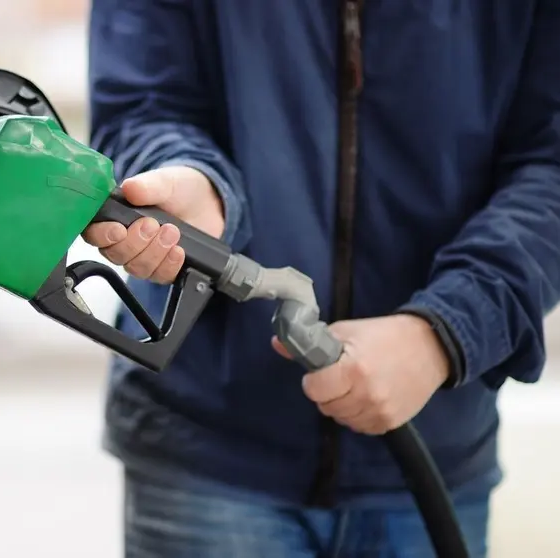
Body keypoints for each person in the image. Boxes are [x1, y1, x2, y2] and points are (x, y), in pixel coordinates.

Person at [82, 1, 560, 556]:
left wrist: (446, 330)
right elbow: (143, 101)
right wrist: (196, 189)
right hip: (209, 452)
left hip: (432, 449)